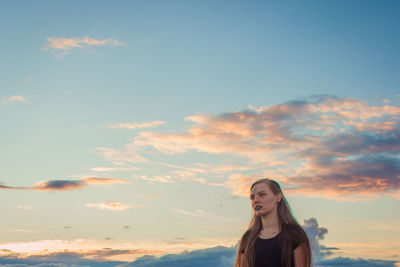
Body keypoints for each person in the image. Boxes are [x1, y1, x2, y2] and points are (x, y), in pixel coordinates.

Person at [235, 178, 312, 267]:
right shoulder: (248, 239)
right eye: (252, 197)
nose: (255, 200)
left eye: (262, 194)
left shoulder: (294, 234)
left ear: (278, 197)